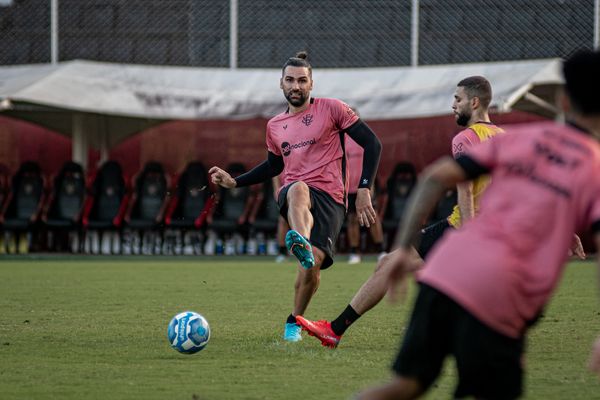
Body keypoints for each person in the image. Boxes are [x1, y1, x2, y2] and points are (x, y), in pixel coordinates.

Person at [356, 49, 600, 400]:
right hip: (499, 293)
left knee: (404, 386)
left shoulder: (522, 138)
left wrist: (401, 248)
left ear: (563, 100)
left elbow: (435, 177)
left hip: (446, 274)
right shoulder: (593, 166)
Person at [296, 75, 504, 348]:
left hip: (463, 228)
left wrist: (468, 235)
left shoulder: (465, 138)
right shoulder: (503, 138)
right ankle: (335, 329)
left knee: (398, 268)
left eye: (458, 99)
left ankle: (335, 330)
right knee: (392, 265)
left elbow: (465, 190)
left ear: (474, 102)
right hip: (490, 230)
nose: (453, 105)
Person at [209, 51, 382, 342]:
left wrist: (364, 188)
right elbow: (275, 166)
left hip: (332, 198)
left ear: (311, 84)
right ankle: (300, 239)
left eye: (302, 80)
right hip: (294, 193)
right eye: (290, 80)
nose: (296, 86)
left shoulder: (332, 109)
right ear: (281, 84)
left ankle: (294, 319)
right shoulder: (274, 126)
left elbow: (372, 143)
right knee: (298, 187)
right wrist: (235, 182)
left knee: (312, 266)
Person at [345, 136, 387, 264]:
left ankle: (381, 251)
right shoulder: (341, 140)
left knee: (372, 217)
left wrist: (370, 185)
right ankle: (354, 252)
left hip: (365, 186)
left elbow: (371, 163)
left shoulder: (364, 138)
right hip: (348, 188)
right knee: (352, 219)